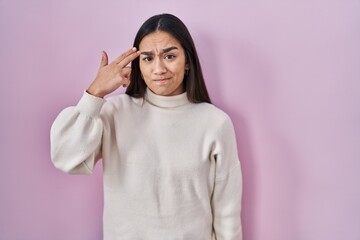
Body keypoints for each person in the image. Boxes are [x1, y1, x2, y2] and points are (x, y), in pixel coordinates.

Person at [51, 13, 242, 240]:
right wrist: (95, 93)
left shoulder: (215, 123)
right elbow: (65, 157)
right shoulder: (114, 112)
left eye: (169, 56)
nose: (158, 69)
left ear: (188, 61)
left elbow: (226, 213)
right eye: (148, 58)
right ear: (138, 65)